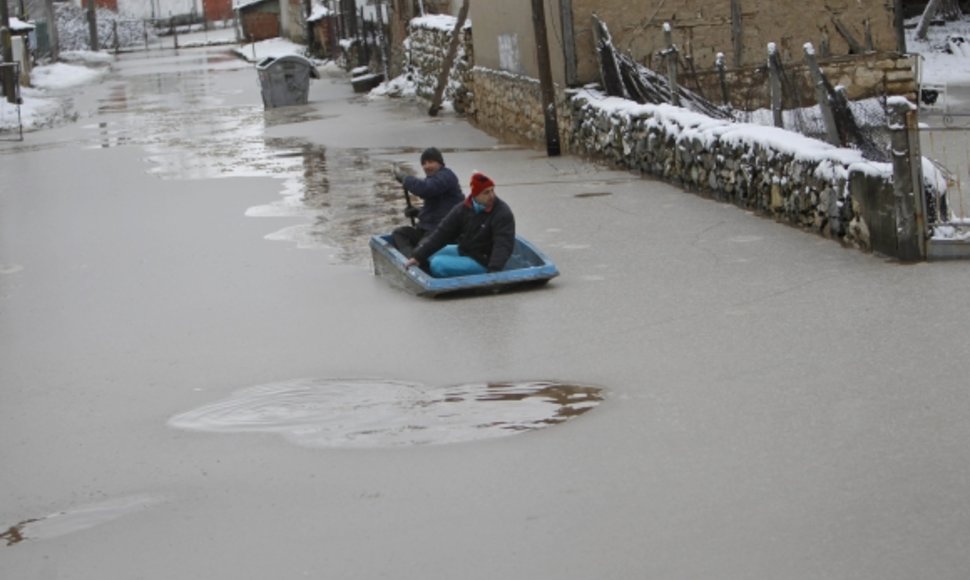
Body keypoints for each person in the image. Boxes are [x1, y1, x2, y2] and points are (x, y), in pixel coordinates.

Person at [405, 172, 515, 278]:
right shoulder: (462, 209)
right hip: (466, 251)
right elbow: (441, 233)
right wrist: (417, 257)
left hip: (484, 261)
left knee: (438, 264)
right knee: (427, 254)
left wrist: (494, 272)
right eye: (486, 192)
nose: (492, 196)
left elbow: (503, 244)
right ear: (475, 194)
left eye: (492, 190)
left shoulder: (502, 213)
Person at [392, 147, 464, 257]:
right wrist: (418, 212)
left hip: (443, 232)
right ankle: (409, 261)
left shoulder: (446, 176)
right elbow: (438, 209)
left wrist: (406, 179)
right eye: (424, 163)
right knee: (400, 233)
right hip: (428, 229)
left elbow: (425, 189)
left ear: (440, 163)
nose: (427, 166)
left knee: (423, 249)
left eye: (431, 162)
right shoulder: (432, 179)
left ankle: (418, 262)